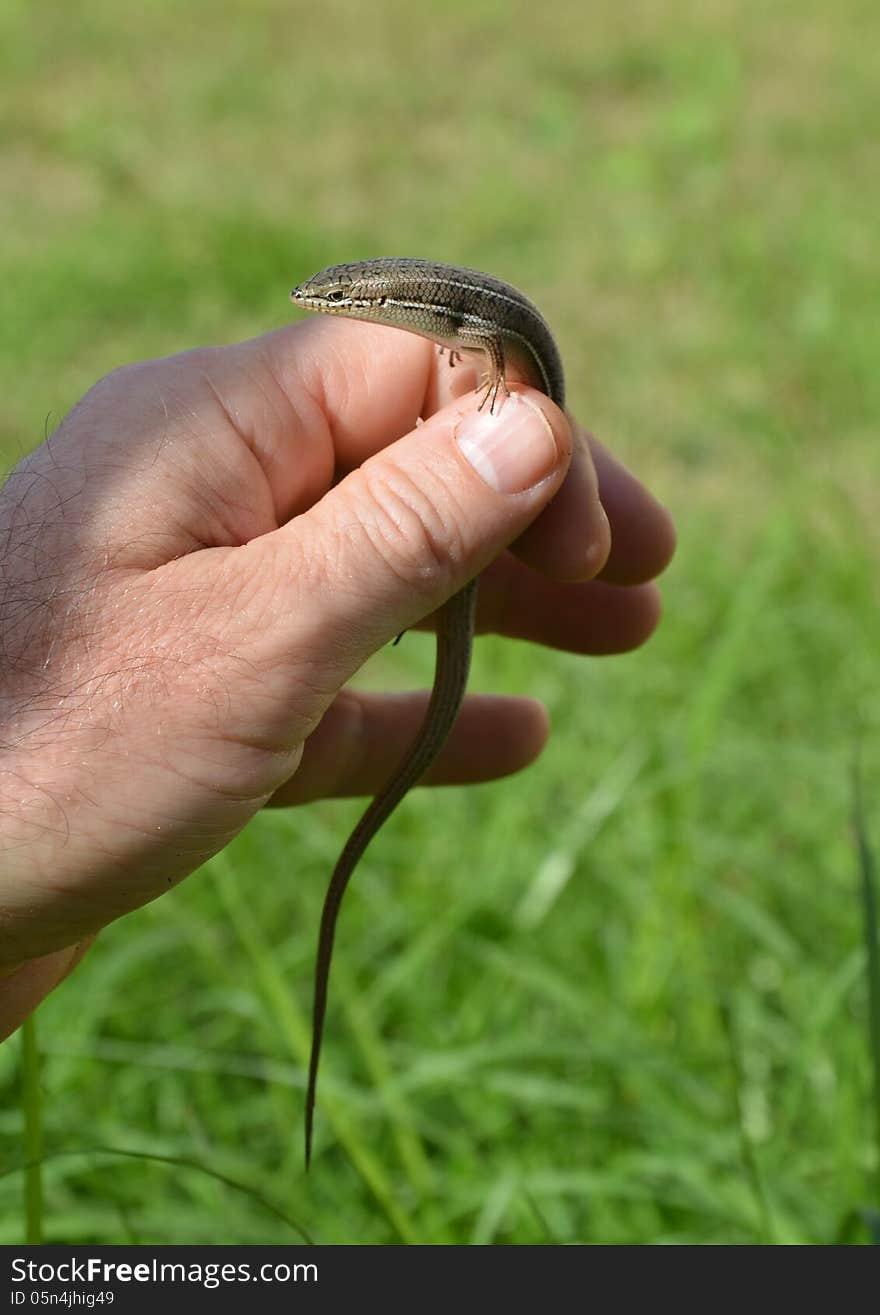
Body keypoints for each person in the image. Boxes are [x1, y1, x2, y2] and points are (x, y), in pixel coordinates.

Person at [0, 317, 675, 1040]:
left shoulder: (460, 322)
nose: (321, 304)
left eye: (340, 300)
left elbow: (480, 336)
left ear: (382, 302)